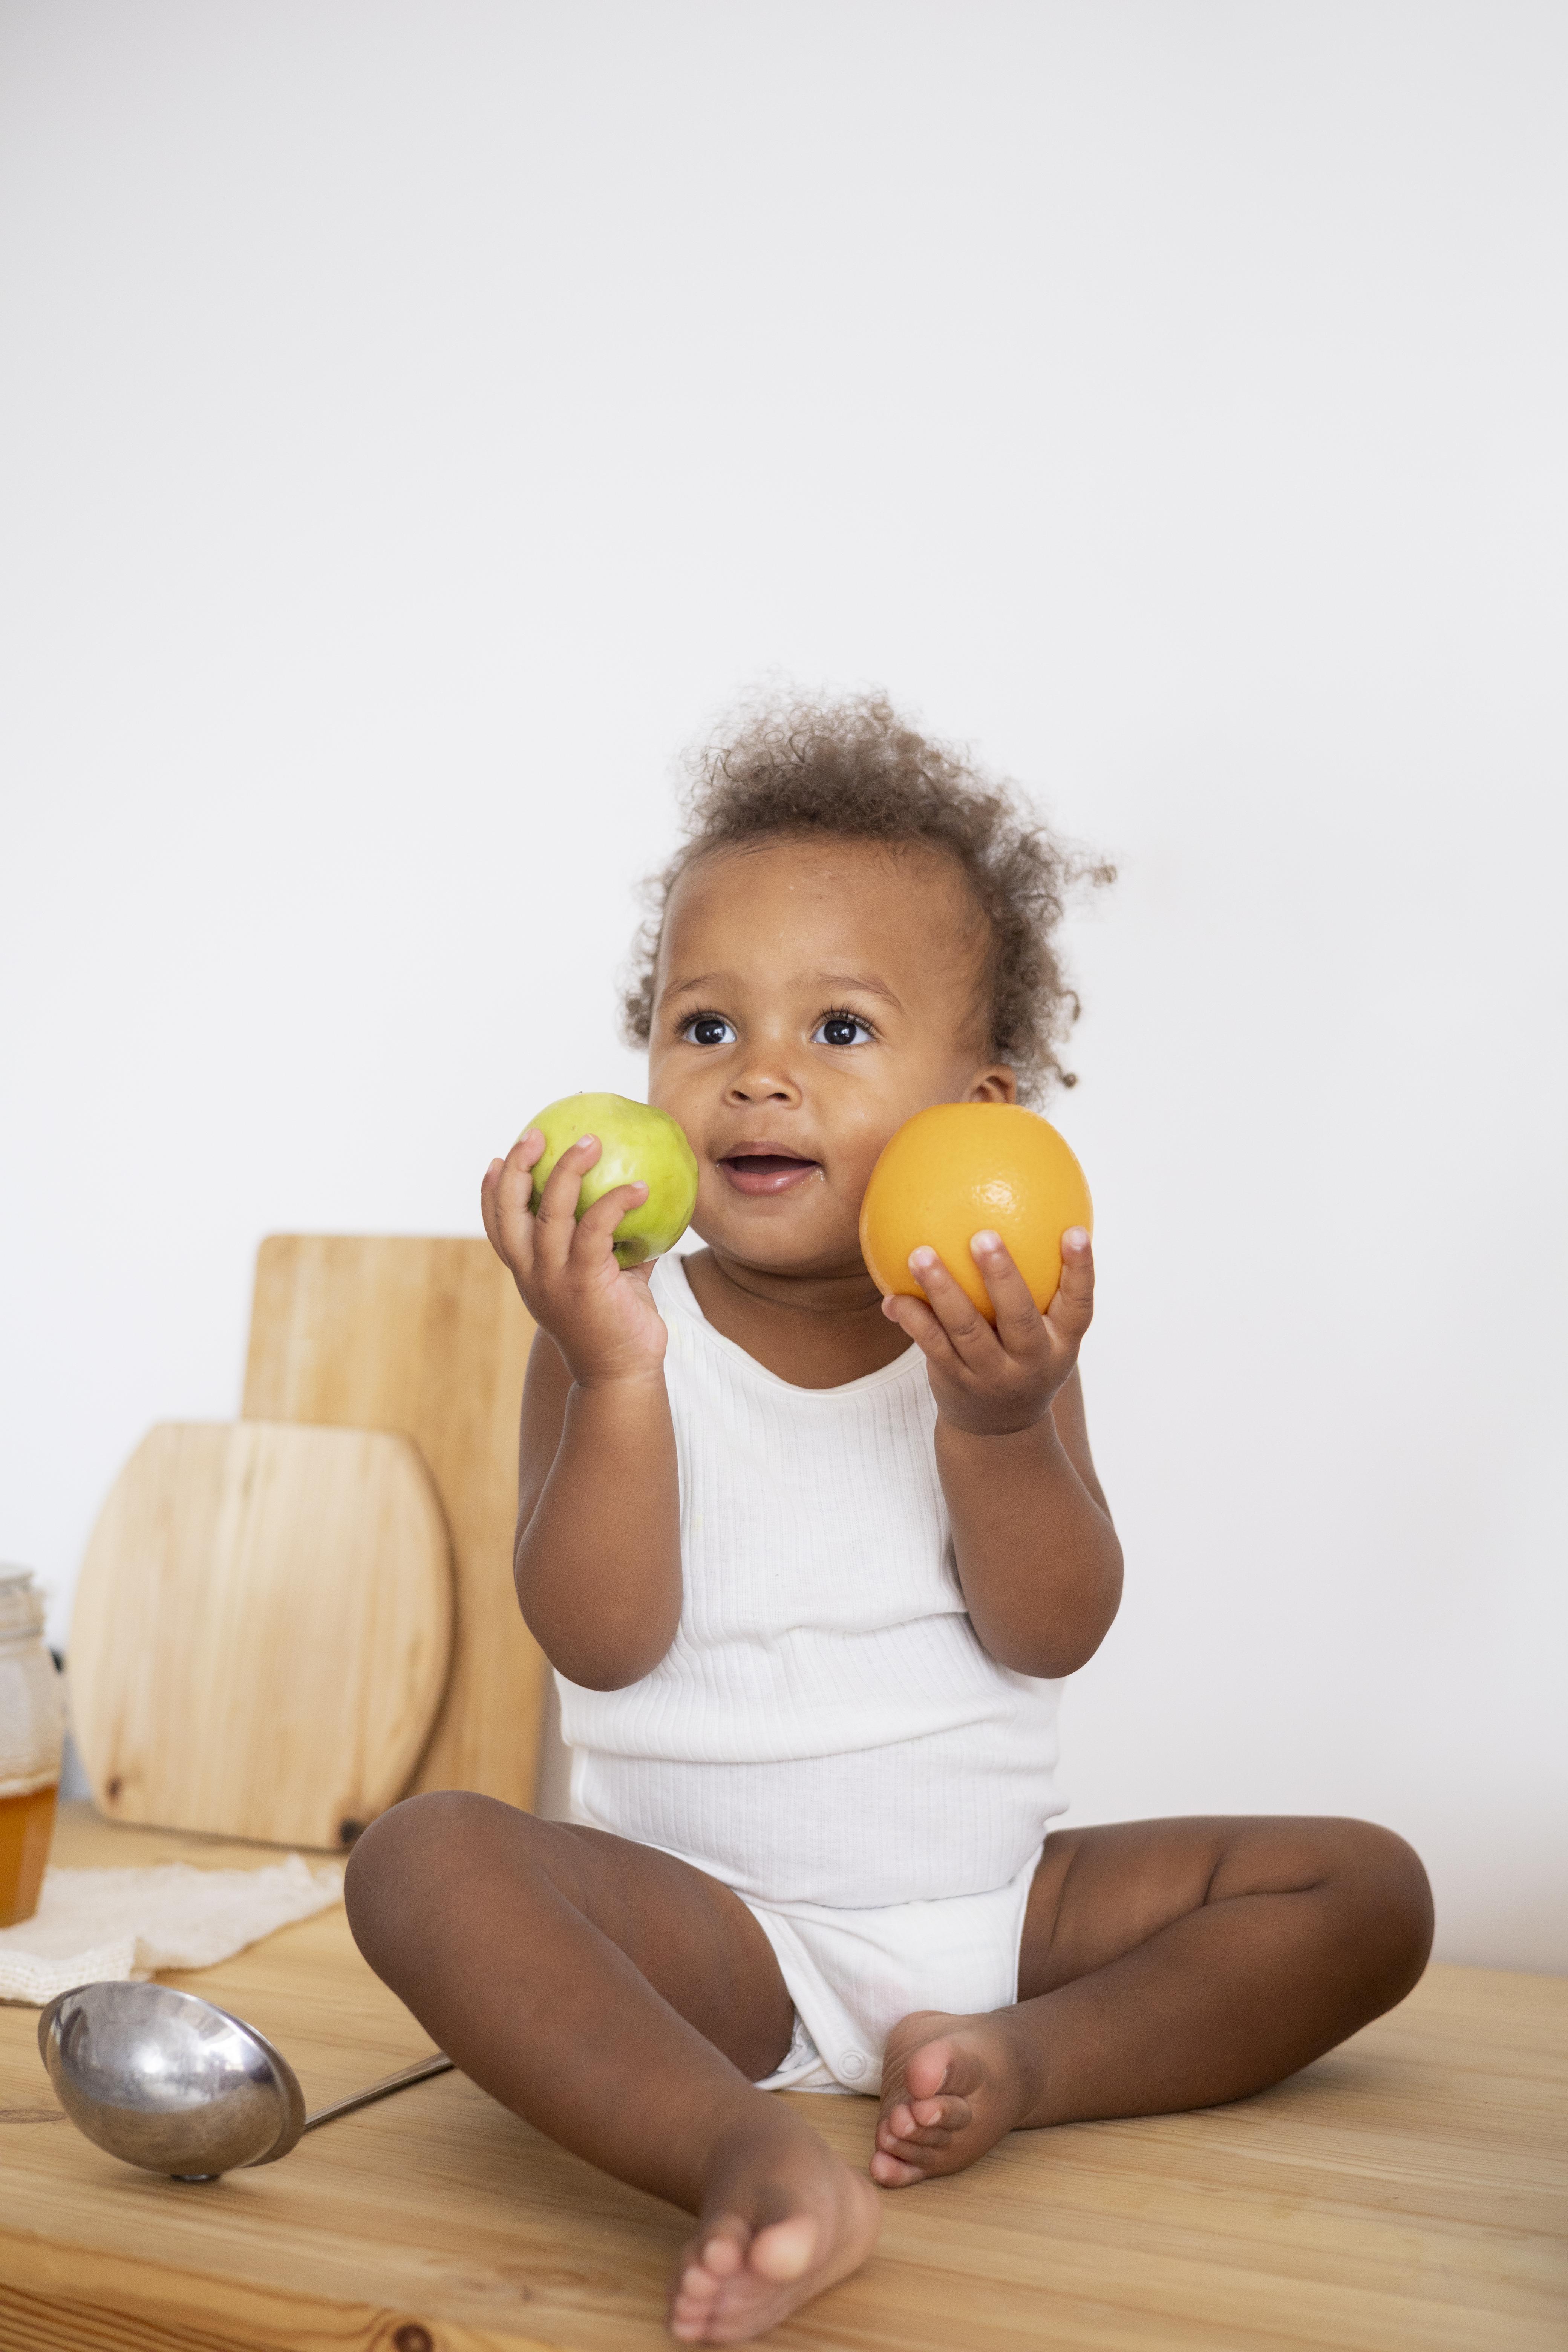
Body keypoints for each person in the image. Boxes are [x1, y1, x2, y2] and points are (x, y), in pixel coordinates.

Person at [345, 695, 1433, 2346]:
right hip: (707, 1940)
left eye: (838, 1030)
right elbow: (598, 1641)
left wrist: (997, 1422)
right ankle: (745, 2151)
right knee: (424, 1859)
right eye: (702, 1028)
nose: (759, 1075)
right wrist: (617, 1377)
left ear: (977, 1109)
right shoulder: (615, 1324)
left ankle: (1017, 2063)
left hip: (996, 1911)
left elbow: (1049, 1626)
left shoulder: (990, 1333)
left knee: (1365, 1892)